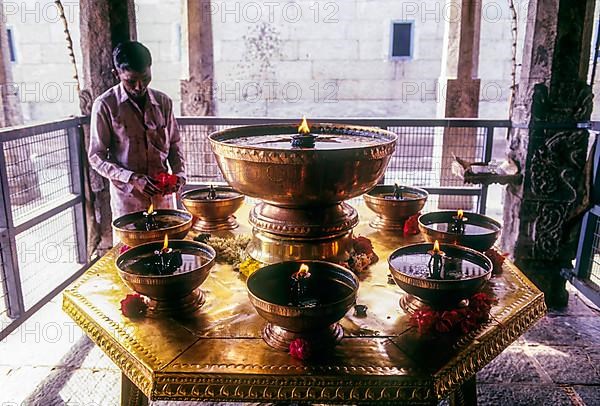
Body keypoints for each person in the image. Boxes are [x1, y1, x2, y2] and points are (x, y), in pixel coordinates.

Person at [88, 41, 186, 219]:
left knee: (168, 245)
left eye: (145, 78)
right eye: (131, 81)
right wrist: (132, 178)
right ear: (116, 74)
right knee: (131, 247)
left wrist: (179, 175)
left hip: (162, 198)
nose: (139, 86)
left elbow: (174, 145)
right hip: (128, 201)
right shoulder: (105, 106)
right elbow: (96, 157)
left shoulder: (163, 102)